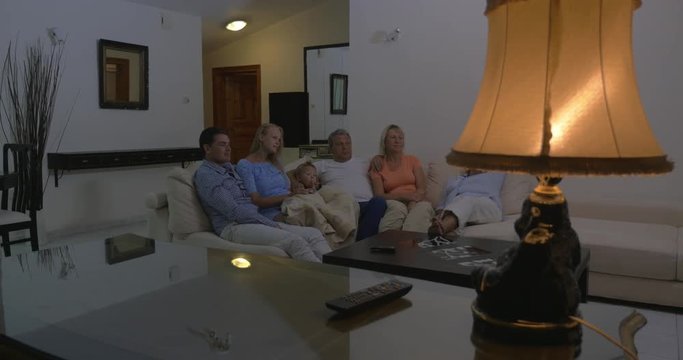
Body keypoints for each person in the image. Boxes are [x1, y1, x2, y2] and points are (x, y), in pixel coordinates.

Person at [193, 127, 330, 262]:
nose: (228, 149)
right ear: (207, 148)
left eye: (229, 144)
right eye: (222, 145)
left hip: (254, 220)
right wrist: (268, 222)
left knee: (313, 234)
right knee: (295, 241)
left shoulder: (230, 169)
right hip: (233, 227)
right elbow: (234, 211)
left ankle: (340, 274)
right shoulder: (206, 176)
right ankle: (325, 279)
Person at [314, 129, 387, 240]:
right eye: (339, 144)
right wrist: (297, 184)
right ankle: (362, 244)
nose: (345, 147)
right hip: (341, 207)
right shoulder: (322, 165)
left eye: (347, 143)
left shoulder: (365, 162)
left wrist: (378, 157)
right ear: (331, 148)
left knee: (379, 201)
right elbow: (292, 173)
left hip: (365, 205)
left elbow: (385, 161)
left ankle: (360, 242)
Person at [369, 124, 433, 232]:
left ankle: (410, 245)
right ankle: (386, 245)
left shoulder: (412, 160)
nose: (397, 141)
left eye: (400, 138)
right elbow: (378, 196)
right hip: (394, 201)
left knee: (422, 209)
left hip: (416, 200)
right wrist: (403, 196)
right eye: (393, 137)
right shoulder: (377, 164)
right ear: (384, 142)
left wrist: (413, 200)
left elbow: (422, 188)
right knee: (397, 210)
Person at [235, 123, 306, 220]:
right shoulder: (245, 165)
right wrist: (289, 196)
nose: (278, 142)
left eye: (279, 140)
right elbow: (255, 201)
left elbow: (287, 189)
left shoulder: (276, 163)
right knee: (312, 212)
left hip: (291, 204)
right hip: (271, 212)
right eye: (274, 138)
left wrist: (299, 189)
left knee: (323, 198)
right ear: (261, 137)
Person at [428, 169, 505, 237]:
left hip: (488, 207)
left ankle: (443, 226)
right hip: (457, 209)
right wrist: (439, 214)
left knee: (467, 199)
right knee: (461, 201)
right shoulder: (454, 180)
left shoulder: (494, 174)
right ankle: (442, 227)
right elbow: (442, 204)